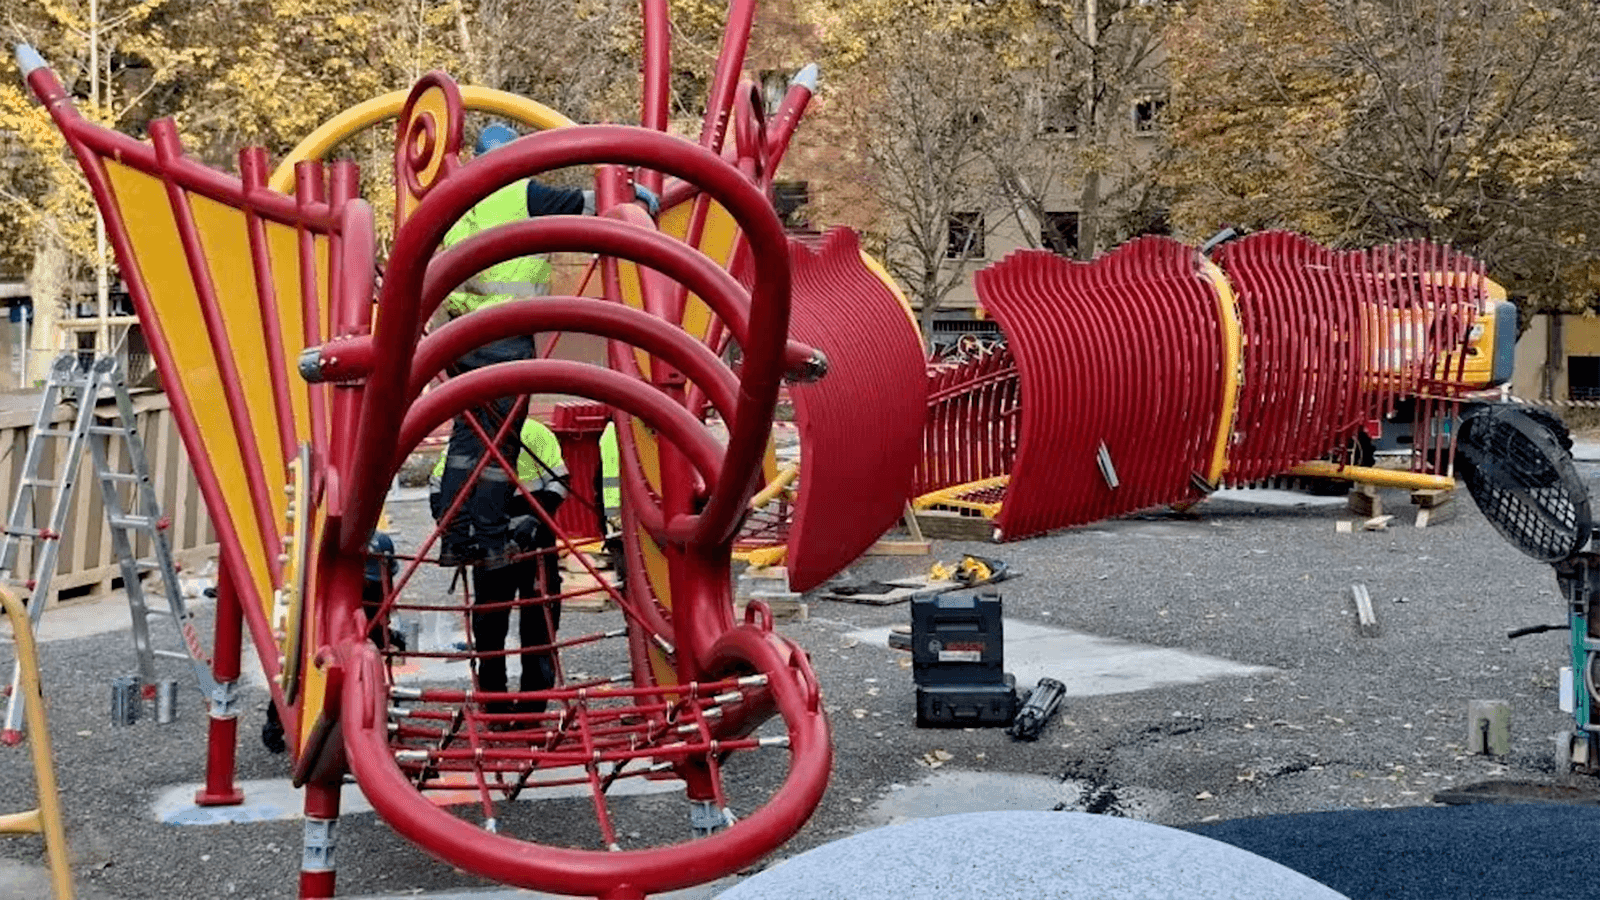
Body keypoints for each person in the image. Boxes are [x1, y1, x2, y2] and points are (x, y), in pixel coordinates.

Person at [432, 418, 569, 716]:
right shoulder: (473, 434)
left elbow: (558, 482)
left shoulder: (532, 434)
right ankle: (497, 705)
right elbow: (439, 488)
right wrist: (460, 530)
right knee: (492, 625)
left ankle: (529, 708)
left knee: (537, 622)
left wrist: (533, 521)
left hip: (532, 544)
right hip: (491, 543)